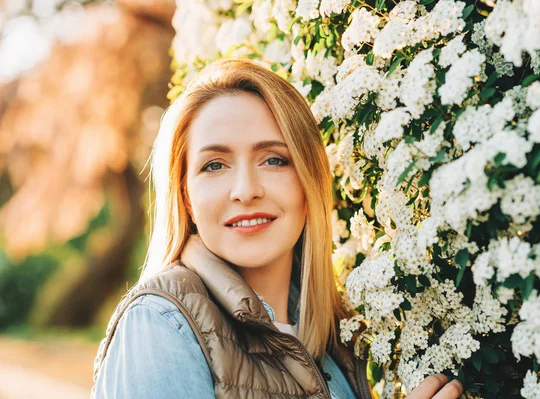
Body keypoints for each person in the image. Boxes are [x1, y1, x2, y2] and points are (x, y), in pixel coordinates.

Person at [91, 59, 464, 399]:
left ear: (309, 180)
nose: (246, 190)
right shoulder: (160, 325)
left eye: (273, 160)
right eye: (215, 165)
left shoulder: (336, 340)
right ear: (186, 195)